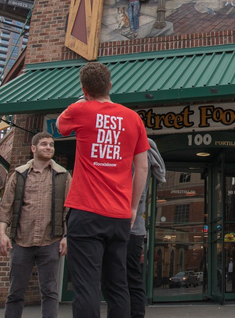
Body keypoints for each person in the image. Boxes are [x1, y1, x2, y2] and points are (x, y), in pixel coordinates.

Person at [56, 62, 149, 318]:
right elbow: (141, 168)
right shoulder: (133, 118)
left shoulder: (79, 110)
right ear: (110, 85)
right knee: (118, 286)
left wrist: (82, 99)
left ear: (84, 89)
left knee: (86, 286)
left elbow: (60, 125)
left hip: (86, 211)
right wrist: (132, 208)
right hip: (119, 215)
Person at [0, 132, 71, 318]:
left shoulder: (63, 175)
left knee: (50, 292)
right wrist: (1, 233)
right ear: (33, 148)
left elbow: (69, 210)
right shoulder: (19, 174)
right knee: (15, 292)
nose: (48, 147)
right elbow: (6, 206)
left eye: (51, 145)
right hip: (22, 241)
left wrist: (67, 237)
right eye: (44, 144)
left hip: (51, 241)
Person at [127, 139, 166, 318]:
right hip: (131, 227)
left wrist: (133, 209)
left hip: (130, 226)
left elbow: (140, 193)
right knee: (127, 276)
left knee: (128, 276)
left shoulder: (139, 153)